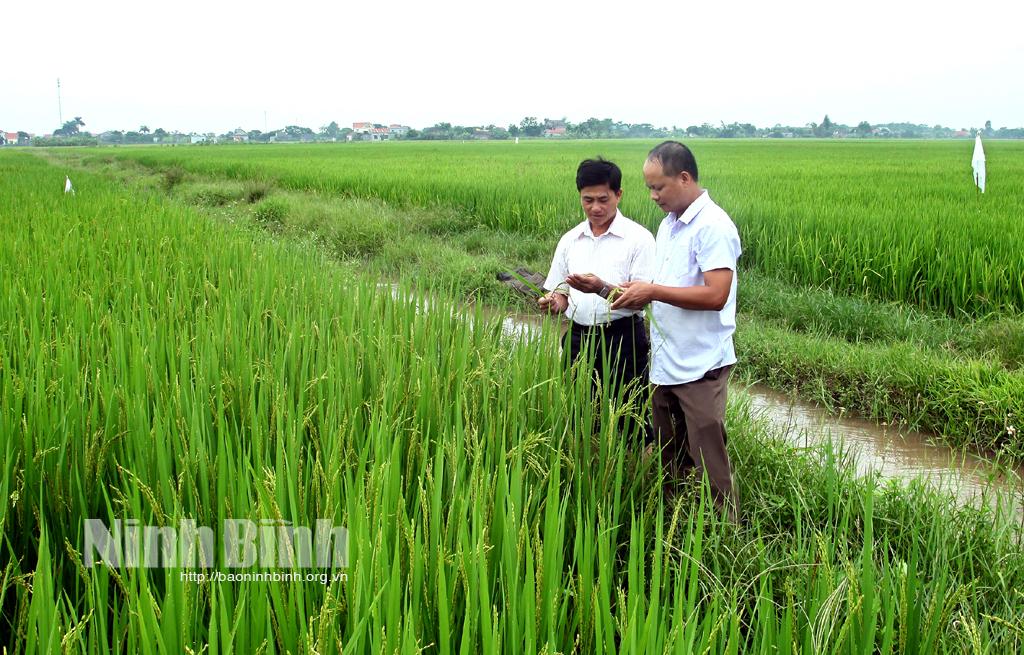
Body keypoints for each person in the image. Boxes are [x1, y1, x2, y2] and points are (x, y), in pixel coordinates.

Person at [609, 141, 742, 518]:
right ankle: (675, 518)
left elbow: (716, 294)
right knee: (670, 451)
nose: (652, 196)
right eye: (649, 188)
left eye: (658, 187)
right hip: (667, 357)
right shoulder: (669, 226)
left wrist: (652, 291)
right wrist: (607, 288)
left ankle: (725, 532)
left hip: (700, 362)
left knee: (708, 455)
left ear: (684, 178)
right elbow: (664, 288)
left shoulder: (713, 226)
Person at [538, 158, 656, 412]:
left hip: (622, 338)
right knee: (578, 411)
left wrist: (600, 288)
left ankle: (632, 451)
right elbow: (560, 292)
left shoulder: (639, 239)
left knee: (629, 414)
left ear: (618, 195)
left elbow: (641, 299)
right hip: (578, 338)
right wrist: (554, 302)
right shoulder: (570, 240)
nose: (595, 207)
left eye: (603, 199)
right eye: (587, 200)